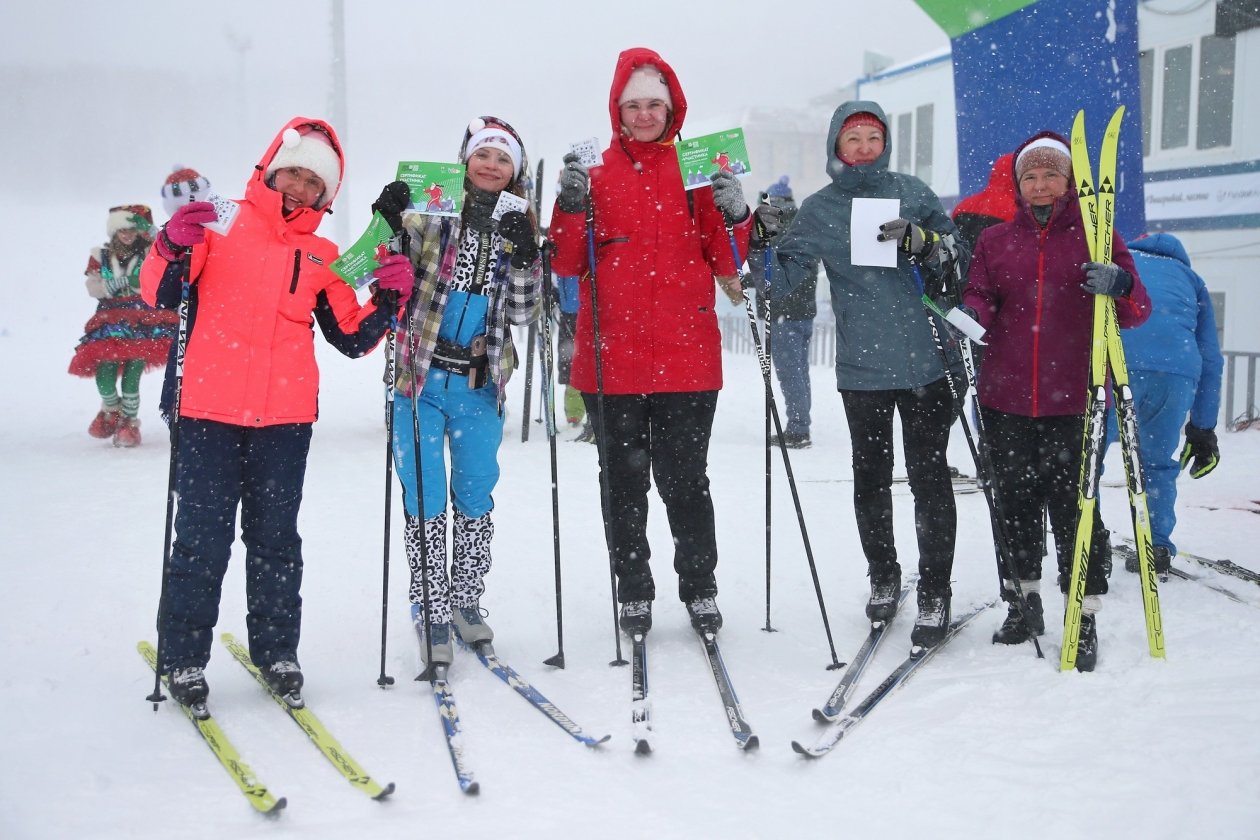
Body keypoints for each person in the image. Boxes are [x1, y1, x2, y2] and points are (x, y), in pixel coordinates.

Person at [139, 118, 414, 711]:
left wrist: (390, 296)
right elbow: (158, 292)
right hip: (207, 410)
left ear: (326, 195)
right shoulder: (219, 221)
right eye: (294, 172)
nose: (301, 187)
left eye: (316, 183)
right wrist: (169, 244)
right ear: (270, 168)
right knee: (201, 541)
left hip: (285, 419)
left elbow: (350, 336)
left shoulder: (322, 254)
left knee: (276, 543)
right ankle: (184, 657)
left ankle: (277, 653)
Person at [549, 47, 752, 636]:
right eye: (633, 105)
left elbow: (727, 259)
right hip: (611, 360)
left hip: (687, 359)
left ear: (671, 109)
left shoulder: (697, 169)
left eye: (653, 105)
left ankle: (700, 587)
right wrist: (568, 206)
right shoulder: (593, 172)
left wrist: (737, 213)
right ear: (617, 110)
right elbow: (566, 263)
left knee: (685, 482)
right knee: (622, 484)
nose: (643, 115)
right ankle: (634, 589)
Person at [773, 101, 969, 654]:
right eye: (852, 138)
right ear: (836, 144)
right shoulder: (820, 208)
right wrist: (763, 235)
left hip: (927, 361)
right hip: (863, 369)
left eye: (872, 137)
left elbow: (960, 259)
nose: (863, 147)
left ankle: (935, 590)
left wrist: (927, 244)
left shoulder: (913, 192)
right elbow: (780, 281)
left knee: (929, 479)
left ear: (885, 144)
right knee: (871, 478)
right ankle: (884, 575)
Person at [962, 130, 1150, 672]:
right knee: (1013, 503)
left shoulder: (1098, 235)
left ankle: (1082, 614)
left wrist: (1120, 284)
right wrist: (972, 314)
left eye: (1051, 175)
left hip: (1077, 396)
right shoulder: (995, 240)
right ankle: (1023, 602)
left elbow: (1138, 309)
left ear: (1069, 182)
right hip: (1005, 396)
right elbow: (981, 293)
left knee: (1075, 509)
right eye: (1030, 176)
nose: (1040, 185)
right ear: (1017, 184)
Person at [371, 116, 543, 666]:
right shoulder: (432, 211)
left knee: (475, 491)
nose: (491, 165)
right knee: (423, 493)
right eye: (483, 154)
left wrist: (525, 256)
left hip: (479, 383)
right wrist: (387, 223)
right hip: (418, 380)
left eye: (503, 158)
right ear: (466, 160)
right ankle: (431, 605)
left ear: (514, 170)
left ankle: (465, 600)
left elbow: (525, 313)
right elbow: (383, 274)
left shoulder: (519, 223)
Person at [1107, 232, 1223, 577]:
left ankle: (1089, 543)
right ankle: (1156, 545)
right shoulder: (1192, 280)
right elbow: (1212, 359)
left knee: (1088, 459)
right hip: (1175, 376)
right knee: (1156, 463)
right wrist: (1203, 427)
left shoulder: (1121, 266)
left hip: (1116, 364)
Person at [69, 204, 176, 447]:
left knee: (131, 377)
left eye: (131, 229)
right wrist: (116, 284)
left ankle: (129, 422)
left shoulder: (148, 251)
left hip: (143, 320)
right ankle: (111, 410)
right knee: (104, 376)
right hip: (111, 320)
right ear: (114, 232)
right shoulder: (100, 256)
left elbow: (166, 246)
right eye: (122, 230)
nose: (127, 235)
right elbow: (93, 288)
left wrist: (150, 229)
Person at [746, 175, 815, 448]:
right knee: (800, 371)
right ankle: (801, 423)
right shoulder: (802, 225)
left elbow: (770, 270)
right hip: (803, 312)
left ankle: (798, 429)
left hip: (781, 311)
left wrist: (746, 280)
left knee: (789, 374)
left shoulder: (774, 228)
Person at [156, 166, 212, 427]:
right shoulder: (168, 237)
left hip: (216, 330)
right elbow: (160, 294)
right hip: (191, 329)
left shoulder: (220, 228)